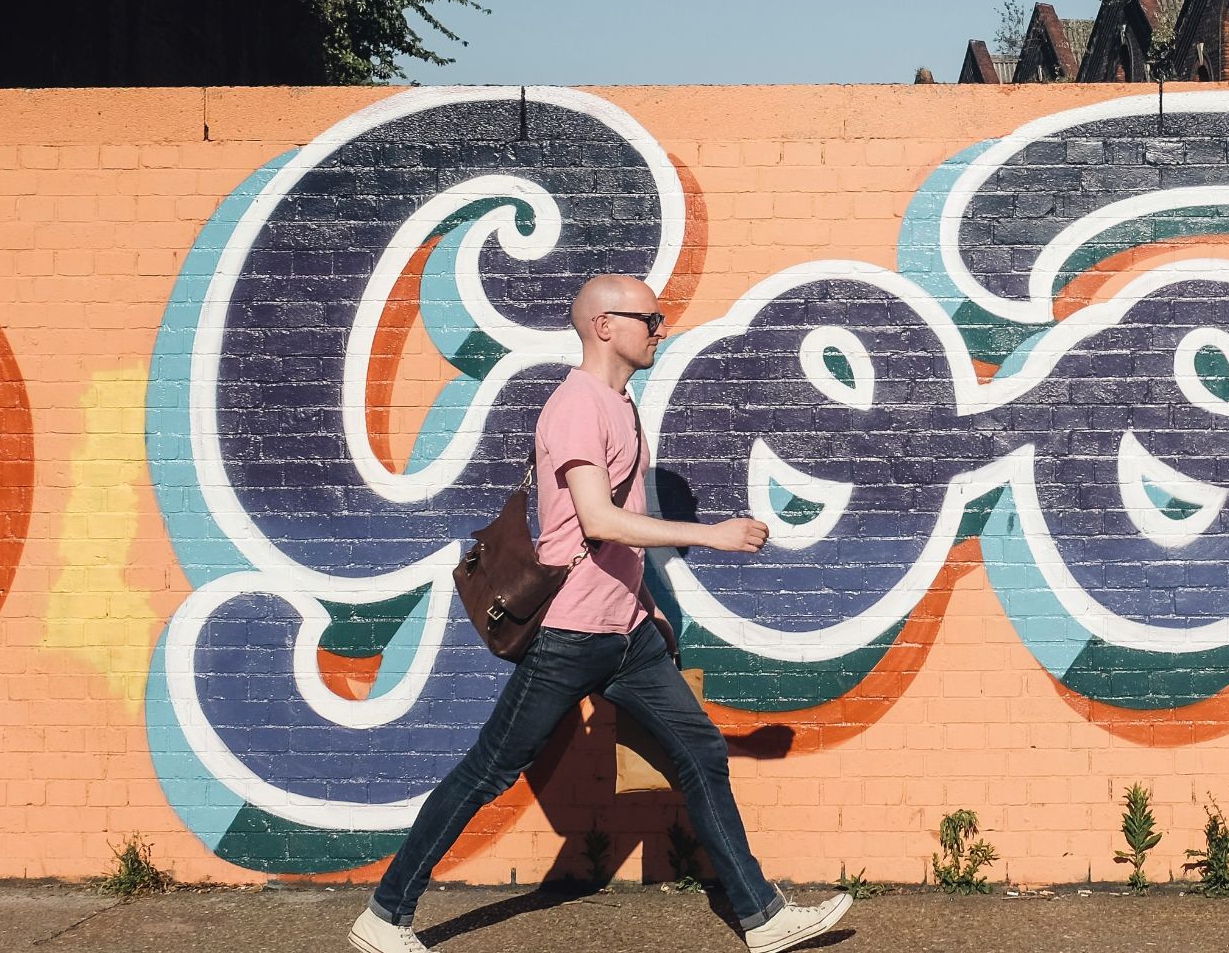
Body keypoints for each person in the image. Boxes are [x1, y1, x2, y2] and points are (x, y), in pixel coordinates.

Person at [350, 274, 852, 953]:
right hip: (569, 634)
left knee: (701, 750)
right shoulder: (577, 405)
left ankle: (762, 918)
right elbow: (596, 518)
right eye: (651, 318)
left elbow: (612, 528)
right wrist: (713, 534)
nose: (661, 329)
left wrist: (644, 605)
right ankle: (385, 914)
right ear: (605, 325)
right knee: (488, 771)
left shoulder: (619, 404)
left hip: (625, 635)